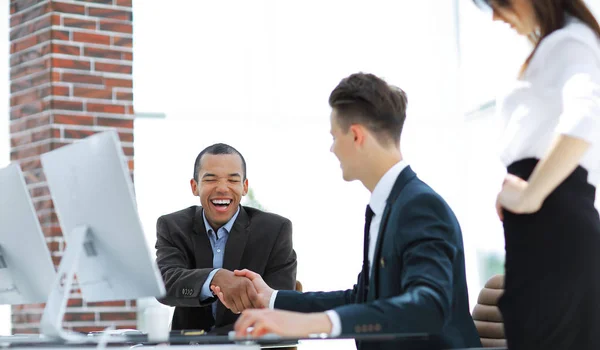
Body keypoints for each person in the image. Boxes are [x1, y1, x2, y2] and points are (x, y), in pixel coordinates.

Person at [213, 73, 481, 349]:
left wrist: (312, 324)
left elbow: (427, 307)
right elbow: (363, 299)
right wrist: (272, 298)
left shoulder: (420, 207)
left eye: (334, 136)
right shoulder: (389, 206)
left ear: (355, 135)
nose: (332, 149)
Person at [473, 1, 600, 349]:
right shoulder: (555, 45)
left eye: (499, 3)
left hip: (554, 236)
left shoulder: (569, 41)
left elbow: (585, 119)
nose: (497, 16)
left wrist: (530, 195)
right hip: (543, 237)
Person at [155, 143, 297, 334]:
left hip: (249, 345)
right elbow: (164, 286)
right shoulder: (173, 226)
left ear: (244, 187)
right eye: (210, 179)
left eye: (233, 180)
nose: (222, 188)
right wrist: (215, 278)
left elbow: (280, 306)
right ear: (194, 186)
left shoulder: (275, 230)